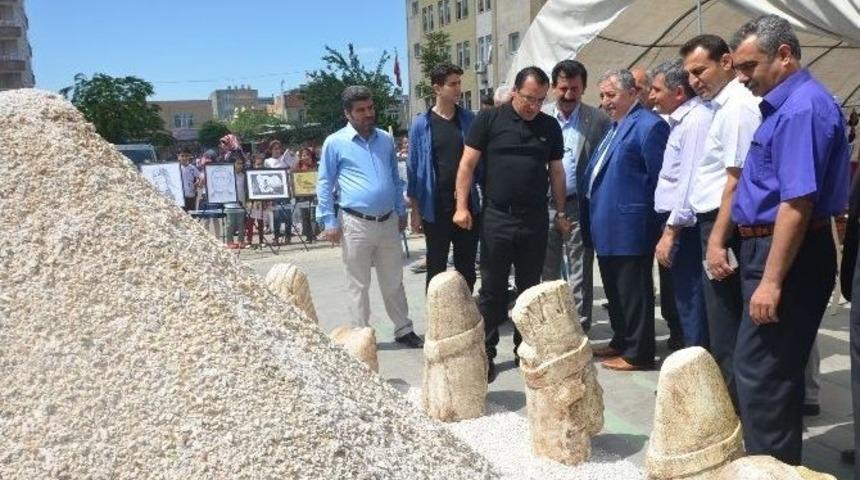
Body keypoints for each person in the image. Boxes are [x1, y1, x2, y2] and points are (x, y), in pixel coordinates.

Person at [729, 14, 850, 464]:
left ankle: (770, 469)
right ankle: (773, 465)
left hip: (787, 254)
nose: (741, 78)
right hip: (773, 248)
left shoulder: (802, 108)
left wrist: (772, 281)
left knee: (762, 374)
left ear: (783, 56)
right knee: (770, 372)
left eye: (748, 66)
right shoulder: (790, 105)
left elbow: (797, 202)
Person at [453, 66, 569, 382]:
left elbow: (556, 172)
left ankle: (525, 350)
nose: (534, 106)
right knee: (492, 290)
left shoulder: (549, 127)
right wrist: (461, 206)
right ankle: (486, 353)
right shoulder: (489, 120)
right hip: (497, 217)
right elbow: (467, 165)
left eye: (541, 100)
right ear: (515, 91)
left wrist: (560, 213)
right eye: (529, 98)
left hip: (533, 218)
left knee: (530, 289)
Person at [682, 33, 761, 404]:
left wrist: (716, 240)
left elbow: (736, 178)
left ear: (726, 62)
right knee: (720, 322)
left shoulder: (737, 108)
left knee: (727, 325)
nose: (695, 80)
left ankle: (735, 413)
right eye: (690, 74)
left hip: (723, 226)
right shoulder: (721, 107)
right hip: (714, 224)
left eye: (701, 70)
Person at [316, 85, 423, 348]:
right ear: (348, 113)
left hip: (387, 222)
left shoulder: (385, 141)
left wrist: (400, 210)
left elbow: (395, 180)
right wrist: (329, 221)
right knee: (358, 283)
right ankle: (361, 335)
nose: (368, 114)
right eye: (361, 110)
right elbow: (324, 183)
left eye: (370, 108)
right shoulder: (335, 142)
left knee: (394, 280)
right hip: (355, 223)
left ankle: (403, 328)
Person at [581, 69, 669, 371]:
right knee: (616, 292)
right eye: (602, 95)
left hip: (631, 226)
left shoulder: (648, 126)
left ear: (633, 93)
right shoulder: (615, 126)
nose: (605, 102)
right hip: (607, 225)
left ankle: (638, 353)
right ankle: (622, 339)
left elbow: (660, 179)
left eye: (611, 95)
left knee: (633, 293)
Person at [541, 59, 612, 333]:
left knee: (580, 270)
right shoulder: (542, 117)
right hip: (545, 206)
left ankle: (579, 327)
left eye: (575, 89)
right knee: (547, 270)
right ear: (553, 88)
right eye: (563, 88)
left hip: (578, 206)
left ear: (583, 88)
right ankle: (550, 326)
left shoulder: (597, 120)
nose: (568, 95)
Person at [649, 58, 714, 348]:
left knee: (692, 301)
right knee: (683, 299)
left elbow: (689, 182)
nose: (651, 96)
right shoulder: (682, 121)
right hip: (678, 225)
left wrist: (671, 231)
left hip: (685, 228)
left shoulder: (696, 122)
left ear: (677, 92)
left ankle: (697, 371)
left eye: (656, 89)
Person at [407, 63, 479, 291]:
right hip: (435, 207)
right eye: (453, 84)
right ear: (437, 88)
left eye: (459, 83)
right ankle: (437, 320)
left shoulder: (469, 120)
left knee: (466, 266)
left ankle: (466, 315)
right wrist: (416, 212)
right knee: (436, 266)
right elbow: (413, 170)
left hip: (466, 205)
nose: (458, 89)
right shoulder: (421, 125)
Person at [265, 140, 295, 246]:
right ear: (271, 150)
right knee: (276, 215)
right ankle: (276, 237)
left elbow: (292, 169)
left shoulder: (285, 160)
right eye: (275, 149)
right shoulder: (268, 161)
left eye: (279, 148)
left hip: (286, 190)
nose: (277, 151)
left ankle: (288, 237)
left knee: (287, 215)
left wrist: (292, 157)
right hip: (275, 191)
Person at [295, 147, 319, 242]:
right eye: (303, 155)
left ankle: (314, 235)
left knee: (313, 216)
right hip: (302, 196)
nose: (305, 157)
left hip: (313, 195)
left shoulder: (315, 166)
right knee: (305, 216)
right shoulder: (297, 167)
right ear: (300, 157)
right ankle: (308, 236)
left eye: (307, 155)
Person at [178, 147, 200, 212]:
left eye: (186, 156)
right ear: (178, 156)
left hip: (191, 195)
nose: (184, 158)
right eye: (182, 156)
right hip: (180, 196)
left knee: (191, 213)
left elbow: (199, 177)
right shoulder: (176, 168)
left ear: (189, 156)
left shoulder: (193, 168)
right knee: (181, 214)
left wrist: (197, 182)